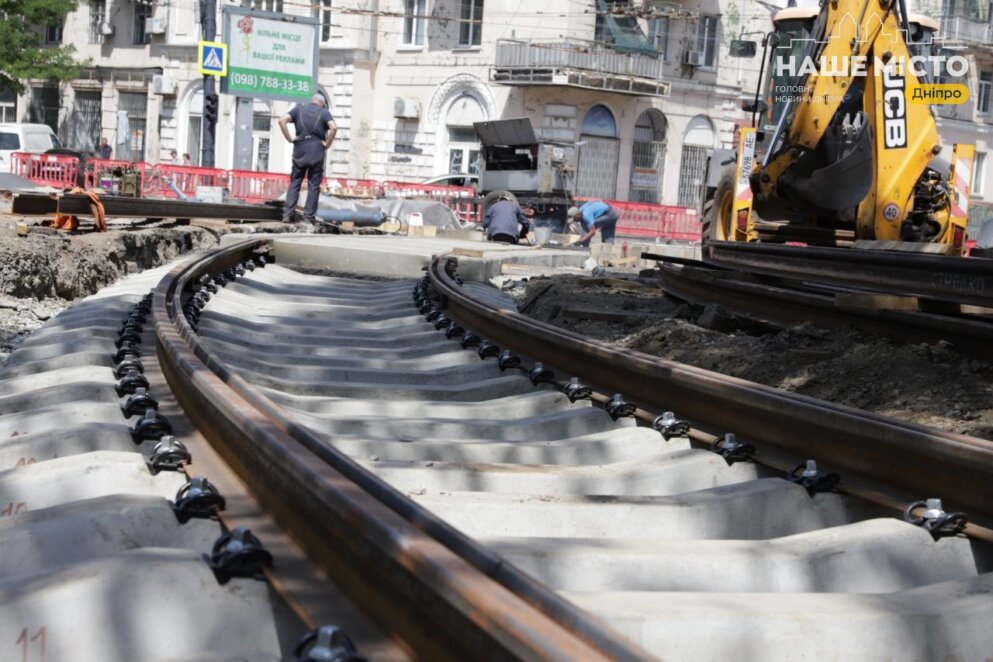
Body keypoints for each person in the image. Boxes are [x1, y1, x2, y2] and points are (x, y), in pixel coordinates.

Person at [278, 94, 337, 222]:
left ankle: (288, 214)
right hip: (317, 151)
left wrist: (289, 138)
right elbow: (334, 127)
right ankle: (308, 217)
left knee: (295, 182)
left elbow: (281, 120)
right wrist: (327, 143)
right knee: (313, 185)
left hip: (300, 149)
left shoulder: (298, 109)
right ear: (322, 103)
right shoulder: (324, 112)